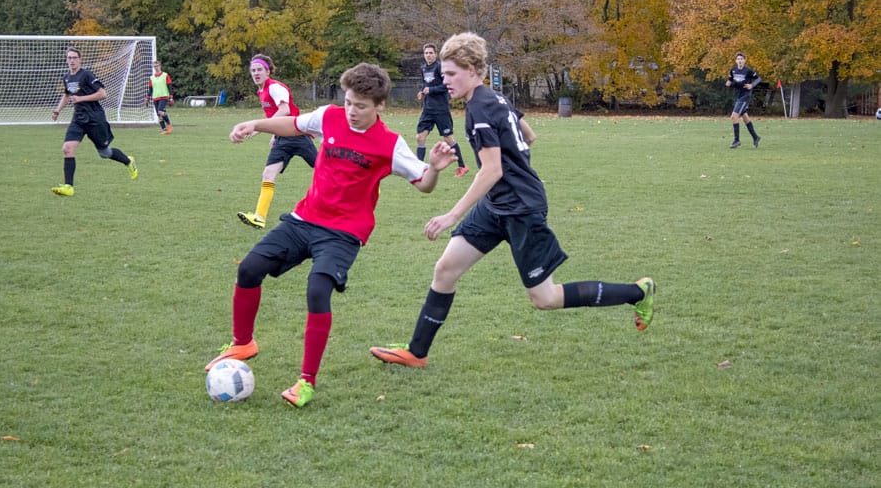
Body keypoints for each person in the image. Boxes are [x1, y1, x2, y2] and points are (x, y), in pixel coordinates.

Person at [370, 32, 655, 370]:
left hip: (521, 209)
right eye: (443, 74)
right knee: (445, 270)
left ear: (473, 69)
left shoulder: (480, 107)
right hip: (496, 206)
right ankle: (416, 352)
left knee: (544, 298)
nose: (443, 80)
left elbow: (491, 171)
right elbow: (529, 135)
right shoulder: (495, 99)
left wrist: (452, 215)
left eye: (450, 74)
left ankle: (638, 293)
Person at [206, 63, 457, 408]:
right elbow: (293, 125)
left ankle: (306, 381)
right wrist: (255, 124)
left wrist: (434, 170)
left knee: (317, 290)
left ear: (380, 106)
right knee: (249, 268)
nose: (352, 112)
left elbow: (424, 186)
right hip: (304, 219)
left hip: (343, 233)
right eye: (349, 102)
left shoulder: (389, 144)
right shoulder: (330, 116)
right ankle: (243, 342)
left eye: (362, 106)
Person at [237, 54, 317, 229]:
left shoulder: (275, 87)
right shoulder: (261, 90)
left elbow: (285, 110)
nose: (256, 73)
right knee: (268, 174)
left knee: (324, 167)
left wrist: (258, 128)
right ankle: (259, 217)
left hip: (297, 135)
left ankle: (362, 187)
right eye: (253, 70)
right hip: (283, 137)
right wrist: (273, 132)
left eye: (259, 70)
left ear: (267, 71)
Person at [51, 47, 138, 197]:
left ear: (80, 59)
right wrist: (57, 110)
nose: (71, 60)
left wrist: (80, 99)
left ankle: (128, 161)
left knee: (104, 153)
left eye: (74, 58)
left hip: (94, 119)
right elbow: (67, 95)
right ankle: (68, 186)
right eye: (69, 58)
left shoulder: (86, 75)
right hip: (78, 119)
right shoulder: (67, 77)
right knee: (67, 148)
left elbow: (102, 94)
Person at [417, 42, 469, 178]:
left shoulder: (440, 67)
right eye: (426, 53)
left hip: (441, 109)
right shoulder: (423, 68)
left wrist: (431, 90)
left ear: (435, 54)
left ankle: (462, 166)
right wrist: (421, 91)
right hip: (428, 109)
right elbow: (425, 84)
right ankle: (418, 169)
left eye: (430, 53)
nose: (428, 55)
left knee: (448, 138)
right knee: (420, 137)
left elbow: (446, 86)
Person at [725, 52, 762, 149]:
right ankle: (755, 137)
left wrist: (751, 85)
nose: (740, 61)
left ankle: (736, 140)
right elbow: (729, 80)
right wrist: (728, 83)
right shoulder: (733, 70)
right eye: (738, 59)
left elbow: (758, 79)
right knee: (745, 117)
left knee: (734, 116)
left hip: (745, 96)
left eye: (741, 59)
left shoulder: (748, 70)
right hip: (737, 96)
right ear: (736, 60)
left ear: (744, 60)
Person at [146, 60, 175, 135]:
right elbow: (150, 89)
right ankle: (164, 130)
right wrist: (147, 98)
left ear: (160, 66)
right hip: (155, 97)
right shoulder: (151, 77)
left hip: (164, 96)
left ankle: (169, 124)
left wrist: (171, 97)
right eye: (154, 66)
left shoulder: (165, 75)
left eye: (157, 66)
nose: (156, 67)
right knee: (159, 115)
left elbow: (169, 86)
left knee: (160, 111)